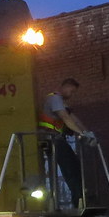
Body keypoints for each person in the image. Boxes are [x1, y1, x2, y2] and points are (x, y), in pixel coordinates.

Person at [39, 78, 95, 207]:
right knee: (70, 168)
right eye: (71, 91)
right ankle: (79, 200)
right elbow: (65, 118)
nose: (72, 94)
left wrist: (87, 132)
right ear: (65, 86)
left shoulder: (62, 102)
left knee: (74, 166)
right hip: (51, 139)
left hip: (57, 139)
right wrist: (82, 134)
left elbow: (73, 119)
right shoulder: (54, 99)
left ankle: (80, 198)